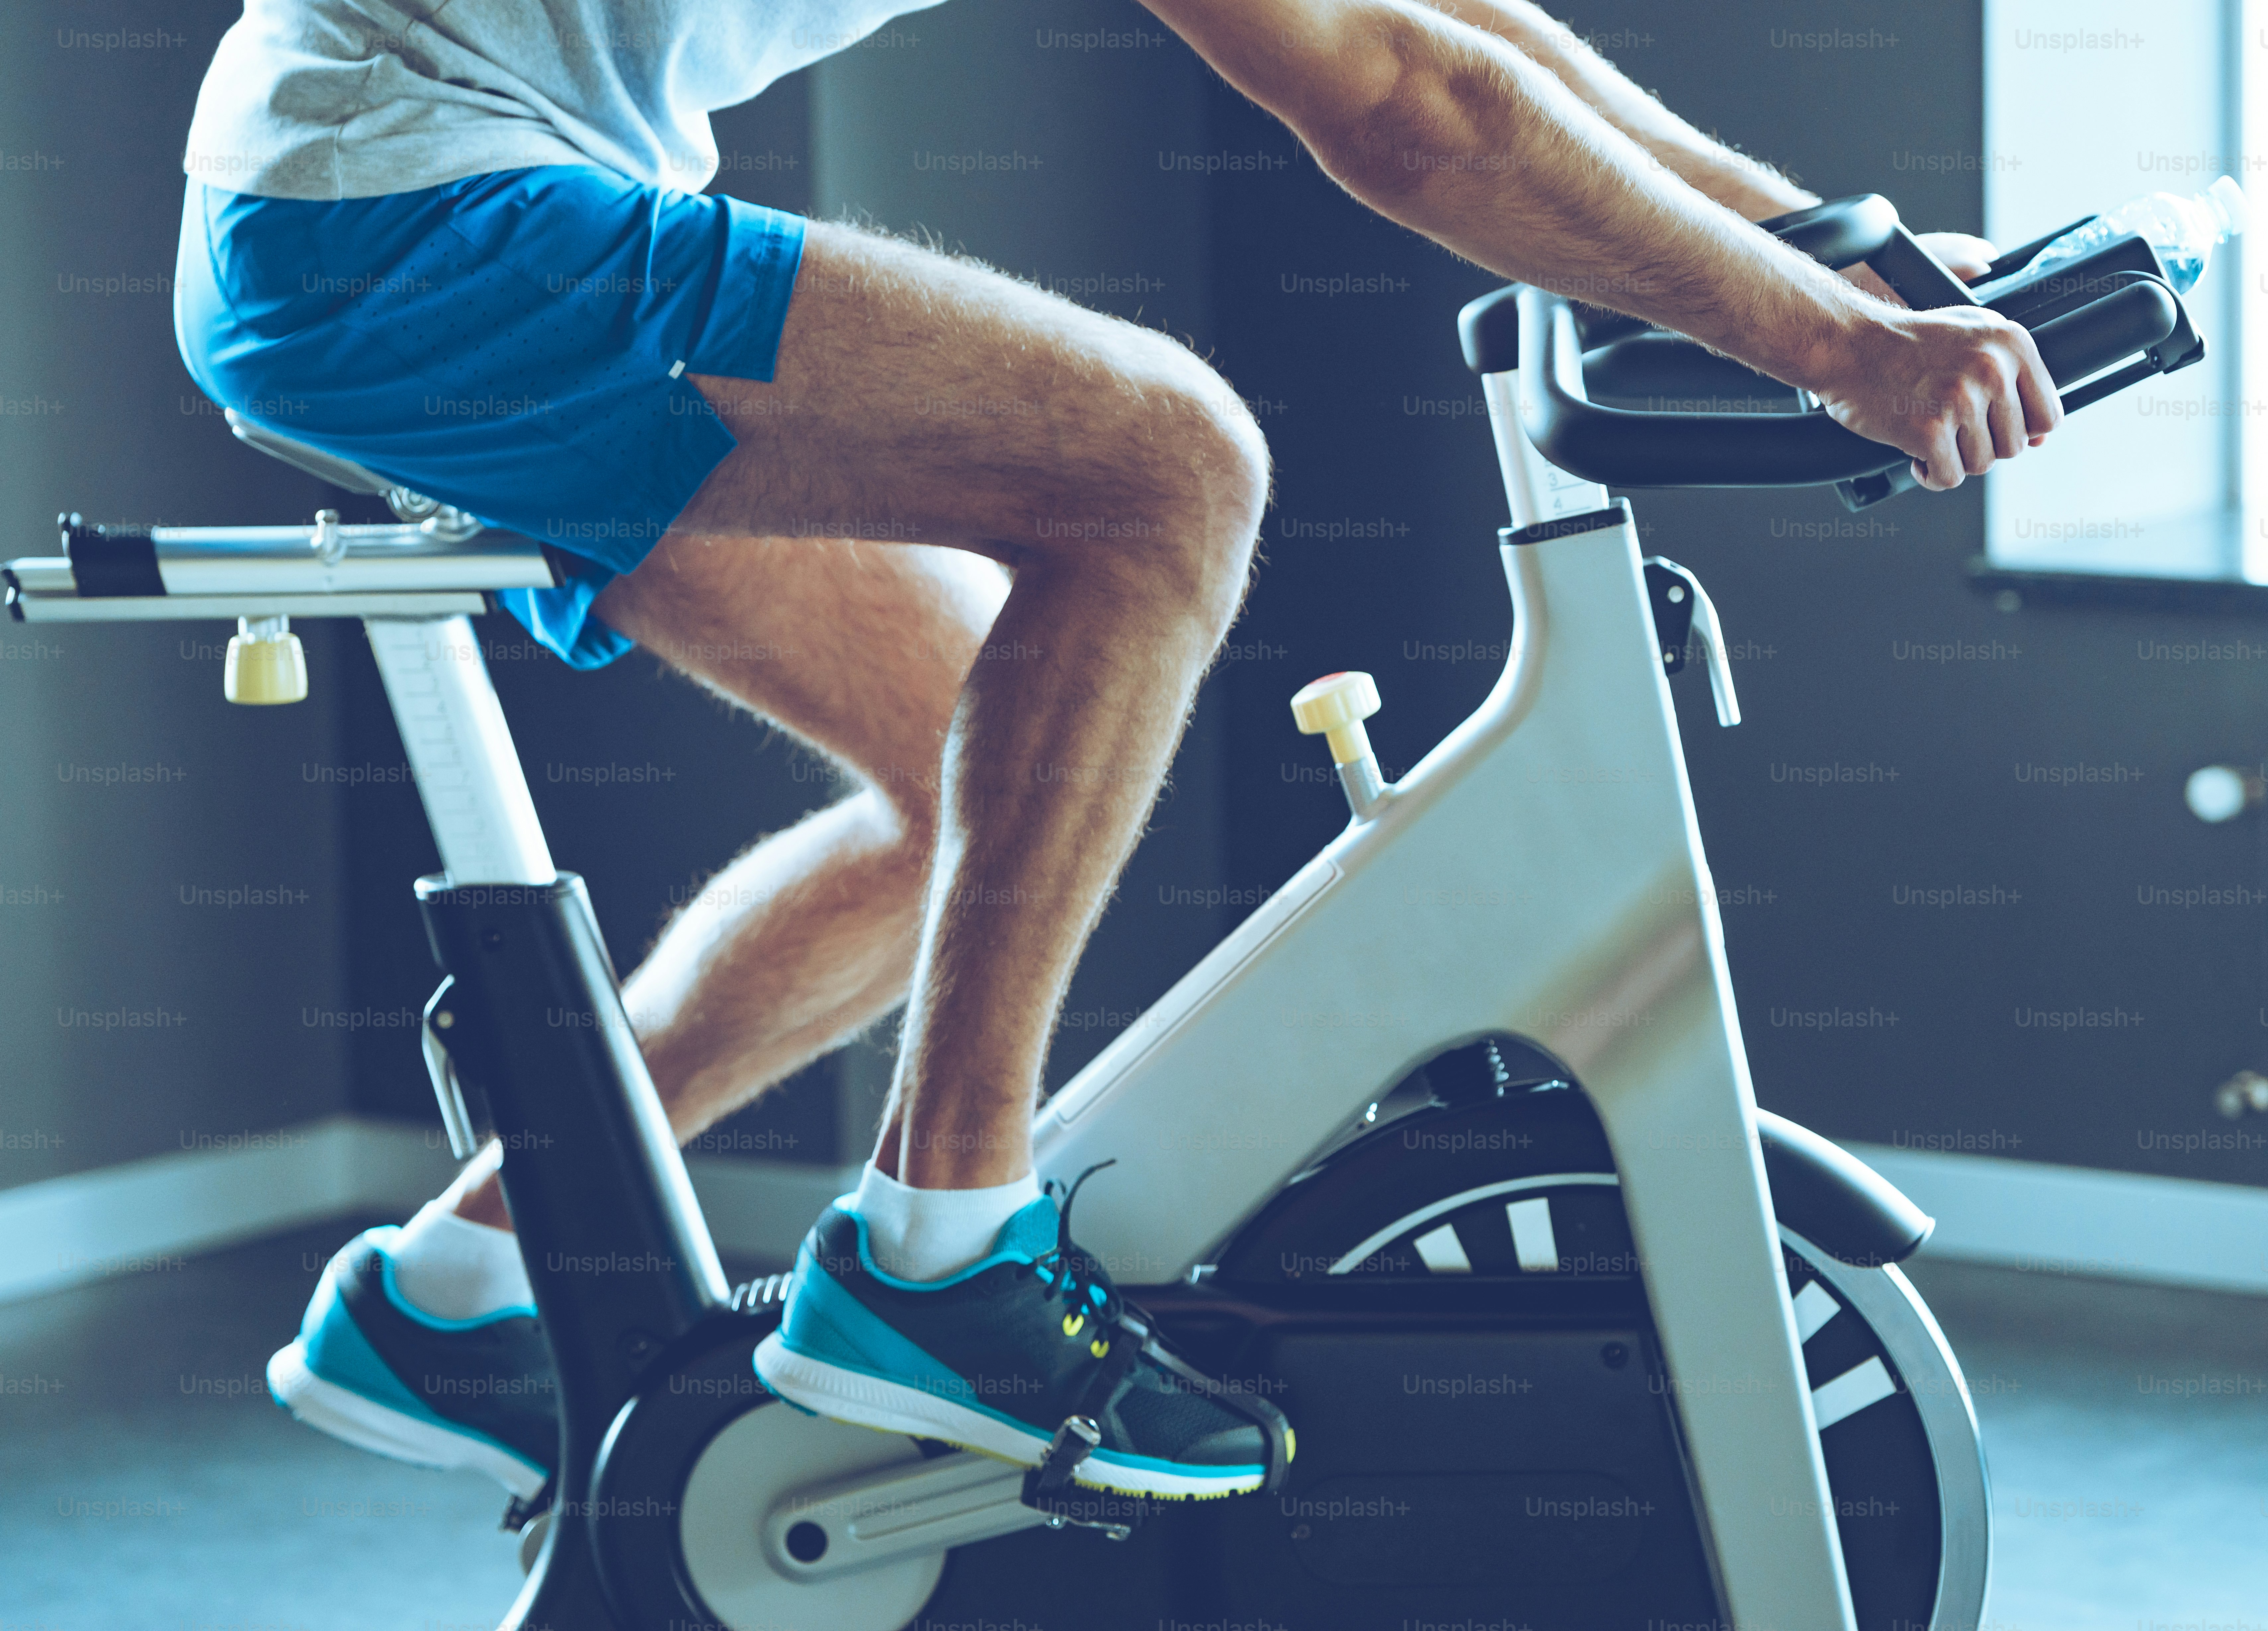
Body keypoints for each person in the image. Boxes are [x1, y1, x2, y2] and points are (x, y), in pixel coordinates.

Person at [184, 0, 2060, 1504]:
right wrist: (1833, 346)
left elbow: (1463, 35)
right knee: (1172, 468)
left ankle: (453, 1292)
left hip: (379, 221)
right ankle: (942, 1259)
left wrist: (1849, 271)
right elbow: (1409, 108)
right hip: (412, 227)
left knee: (967, 778)